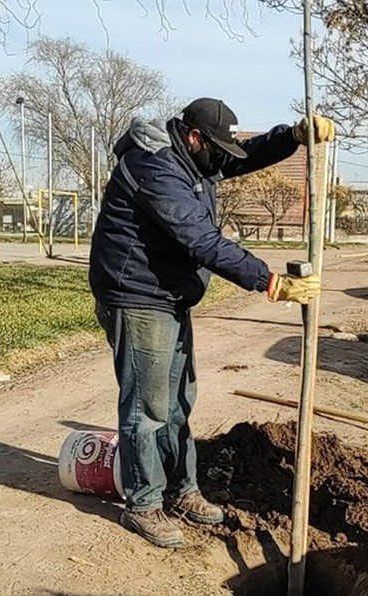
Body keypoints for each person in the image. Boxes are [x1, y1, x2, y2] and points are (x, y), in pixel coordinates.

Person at [89, 98, 334, 548]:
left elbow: (246, 155)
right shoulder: (156, 168)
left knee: (180, 400)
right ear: (195, 136)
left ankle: (182, 490)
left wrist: (292, 137)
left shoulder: (193, 161)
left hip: (168, 296)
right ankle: (143, 503)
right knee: (148, 408)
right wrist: (269, 281)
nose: (222, 159)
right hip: (138, 298)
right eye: (216, 147)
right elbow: (200, 240)